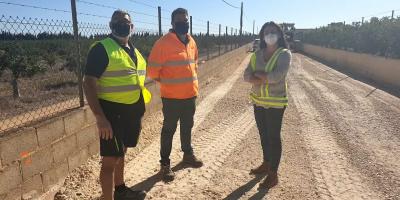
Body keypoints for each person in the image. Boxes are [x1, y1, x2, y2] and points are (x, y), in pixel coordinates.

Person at [83, 10, 151, 200]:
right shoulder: (102, 49)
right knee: (109, 161)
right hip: (112, 115)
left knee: (122, 153)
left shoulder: (133, 50)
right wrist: (100, 118)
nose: (122, 25)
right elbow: (88, 83)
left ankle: (120, 190)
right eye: (117, 22)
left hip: (131, 112)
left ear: (132, 26)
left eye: (126, 22)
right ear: (111, 25)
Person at [147, 8, 203, 182]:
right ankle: (165, 164)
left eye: (185, 20)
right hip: (171, 98)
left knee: (187, 127)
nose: (183, 23)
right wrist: (169, 84)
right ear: (172, 23)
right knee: (169, 130)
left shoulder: (191, 41)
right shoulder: (162, 43)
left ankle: (187, 155)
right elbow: (153, 71)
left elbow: (193, 64)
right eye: (179, 20)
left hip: (190, 95)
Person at [243, 21, 292, 189]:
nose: (270, 34)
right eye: (267, 32)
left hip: (276, 104)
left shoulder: (284, 54)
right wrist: (262, 76)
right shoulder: (257, 54)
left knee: (273, 137)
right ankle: (266, 163)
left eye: (273, 31)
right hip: (258, 101)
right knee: (263, 135)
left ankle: (273, 174)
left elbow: (277, 76)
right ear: (263, 35)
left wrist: (259, 76)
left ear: (279, 34)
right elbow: (246, 75)